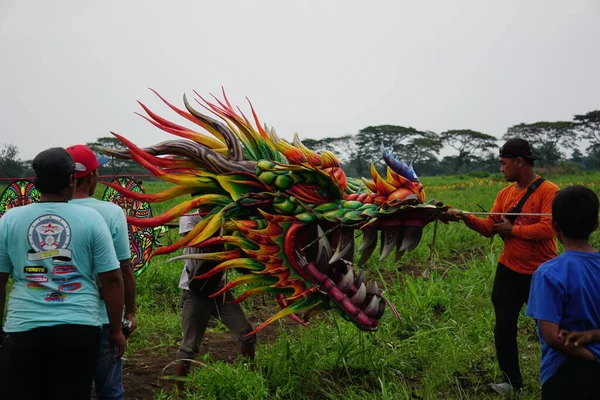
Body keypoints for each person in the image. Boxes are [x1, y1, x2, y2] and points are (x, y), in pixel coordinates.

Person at [0, 147, 125, 400]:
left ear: (36, 183)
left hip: (23, 329)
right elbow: (112, 279)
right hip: (79, 330)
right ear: (71, 179)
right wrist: (115, 329)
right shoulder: (91, 219)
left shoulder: (10, 219)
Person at [444, 138, 560, 394]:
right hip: (509, 269)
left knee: (549, 330)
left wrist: (514, 230)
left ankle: (555, 379)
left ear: (519, 161)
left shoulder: (548, 191)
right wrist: (465, 217)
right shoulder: (505, 194)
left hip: (541, 271)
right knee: (503, 326)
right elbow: (489, 228)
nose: (501, 169)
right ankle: (512, 382)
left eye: (503, 163)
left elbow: (550, 227)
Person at [66, 144, 137, 400]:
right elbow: (123, 268)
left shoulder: (47, 213)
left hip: (63, 318)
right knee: (110, 390)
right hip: (104, 316)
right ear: (93, 177)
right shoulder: (110, 212)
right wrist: (129, 312)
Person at [525, 185, 600, 399]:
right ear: (596, 224)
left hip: (564, 373)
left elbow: (552, 337)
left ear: (553, 225)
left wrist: (591, 355)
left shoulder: (548, 273)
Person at [174, 210, 257, 393]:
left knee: (247, 334)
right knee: (189, 347)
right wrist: (227, 235)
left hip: (220, 291)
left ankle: (252, 377)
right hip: (195, 292)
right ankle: (181, 393)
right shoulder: (190, 217)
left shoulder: (225, 215)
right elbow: (196, 241)